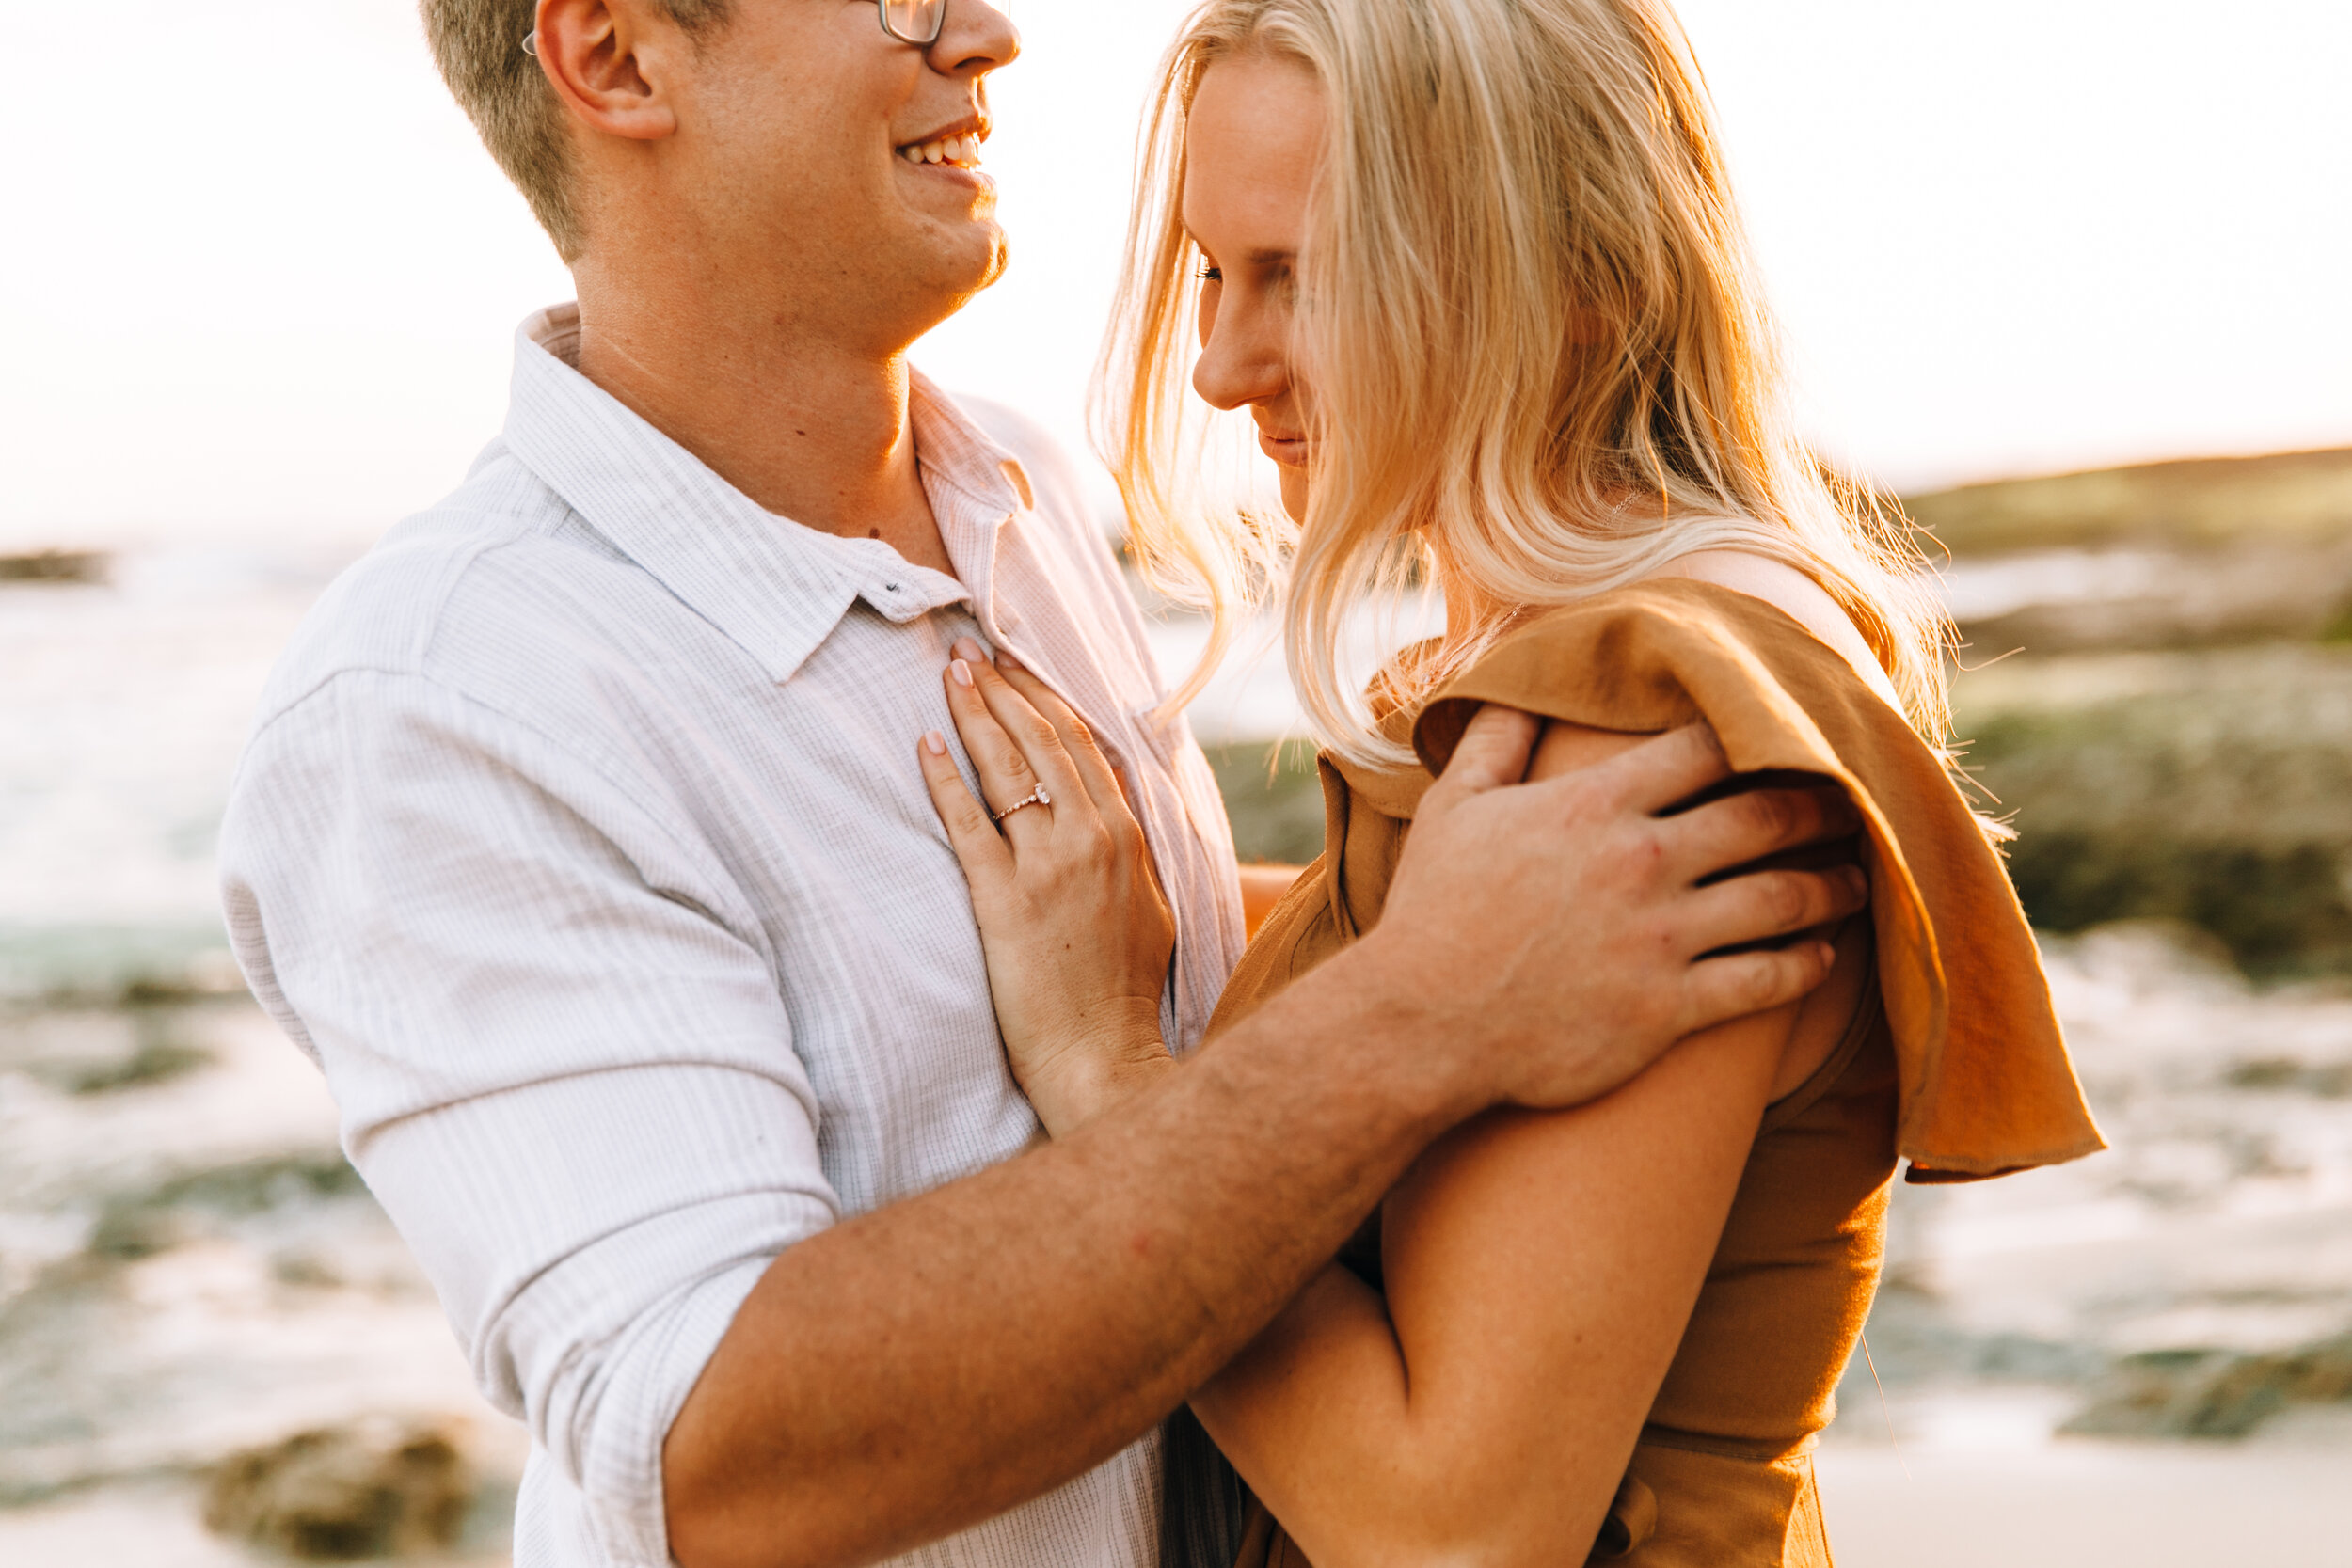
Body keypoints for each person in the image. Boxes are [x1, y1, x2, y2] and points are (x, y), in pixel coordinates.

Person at [215, 2, 1874, 1566]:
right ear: (618, 55)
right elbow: (702, 1446)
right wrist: (1417, 1008)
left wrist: (1399, 937)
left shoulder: (1019, 493)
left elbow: (1134, 970)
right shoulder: (450, 689)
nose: (988, 30)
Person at [920, 2, 2108, 1564]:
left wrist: (1104, 1069)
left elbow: (1451, 1528)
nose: (1217, 365)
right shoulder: (1656, 662)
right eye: (1215, 271)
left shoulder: (1636, 727)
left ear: (1579, 283)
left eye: (1305, 277)